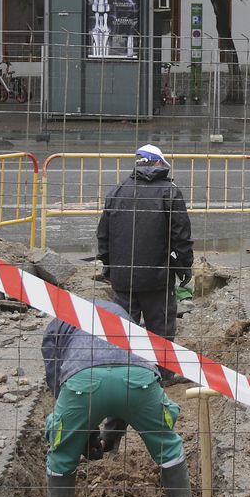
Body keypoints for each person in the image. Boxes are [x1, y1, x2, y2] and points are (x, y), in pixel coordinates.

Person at [39, 299, 198, 497]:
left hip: (82, 383)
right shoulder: (124, 316)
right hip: (138, 378)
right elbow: (127, 382)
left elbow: (56, 375)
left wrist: (82, 432)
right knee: (168, 446)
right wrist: (111, 431)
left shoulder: (60, 320)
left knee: (61, 455)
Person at [97, 144, 194, 349]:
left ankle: (128, 372)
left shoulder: (117, 191)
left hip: (123, 279)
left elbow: (103, 236)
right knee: (160, 331)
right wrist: (184, 266)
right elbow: (181, 237)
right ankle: (163, 374)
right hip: (157, 279)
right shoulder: (170, 192)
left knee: (124, 332)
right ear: (158, 163)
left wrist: (109, 266)